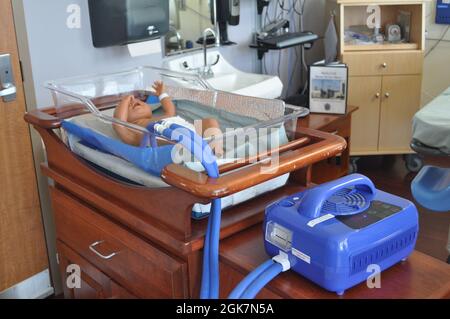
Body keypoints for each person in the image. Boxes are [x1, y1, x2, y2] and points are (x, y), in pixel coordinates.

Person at [113, 81, 223, 156]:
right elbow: (119, 125)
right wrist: (125, 100)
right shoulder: (134, 131)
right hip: (176, 145)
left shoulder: (161, 117)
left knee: (210, 122)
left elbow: (170, 111)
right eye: (128, 106)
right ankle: (202, 156)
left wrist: (162, 94)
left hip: (195, 135)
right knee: (169, 141)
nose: (133, 101)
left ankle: (217, 153)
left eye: (139, 102)